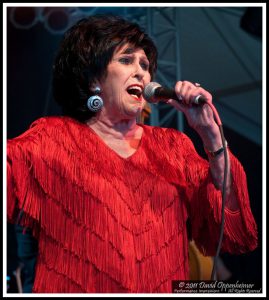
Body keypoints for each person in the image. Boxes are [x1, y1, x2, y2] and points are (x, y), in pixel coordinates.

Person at [7, 14, 258, 293]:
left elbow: (233, 231)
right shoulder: (50, 138)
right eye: (126, 60)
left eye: (145, 65)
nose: (142, 72)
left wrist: (211, 134)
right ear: (92, 79)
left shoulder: (173, 147)